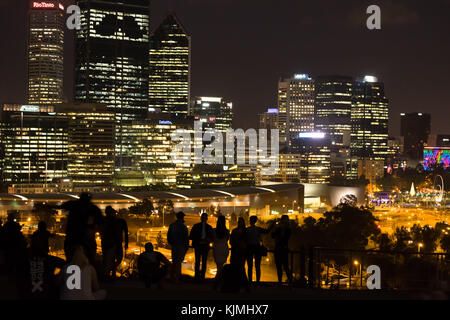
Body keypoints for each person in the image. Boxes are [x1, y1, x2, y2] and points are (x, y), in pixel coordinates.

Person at [59, 193, 103, 264]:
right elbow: (101, 223)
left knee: (71, 261)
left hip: (73, 238)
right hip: (85, 240)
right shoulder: (94, 209)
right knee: (89, 261)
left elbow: (60, 206)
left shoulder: (74, 205)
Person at [245, 216, 272, 283]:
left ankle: (250, 281)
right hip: (257, 247)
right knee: (257, 266)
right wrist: (272, 225)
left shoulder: (247, 230)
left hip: (249, 248)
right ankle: (257, 281)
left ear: (250, 221)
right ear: (255, 221)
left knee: (250, 266)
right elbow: (267, 231)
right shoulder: (258, 229)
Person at [189, 213, 214, 281]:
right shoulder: (197, 226)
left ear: (206, 219)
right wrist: (199, 240)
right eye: (203, 217)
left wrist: (207, 240)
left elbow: (212, 238)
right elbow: (191, 236)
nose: (204, 219)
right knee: (198, 261)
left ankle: (201, 276)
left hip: (204, 246)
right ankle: (197, 276)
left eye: (205, 217)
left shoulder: (208, 227)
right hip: (198, 245)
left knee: (203, 262)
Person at [167, 211, 189, 282]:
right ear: (182, 217)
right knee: (179, 262)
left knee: (174, 261)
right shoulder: (183, 227)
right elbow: (186, 238)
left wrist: (171, 243)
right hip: (181, 246)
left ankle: (172, 277)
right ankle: (177, 277)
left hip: (174, 246)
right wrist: (186, 247)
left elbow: (169, 236)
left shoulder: (172, 225)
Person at [271, 215, 293, 284]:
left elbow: (275, 236)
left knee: (283, 266)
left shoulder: (286, 230)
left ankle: (285, 281)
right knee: (281, 266)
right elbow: (273, 236)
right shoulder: (284, 229)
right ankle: (285, 281)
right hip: (282, 249)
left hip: (280, 249)